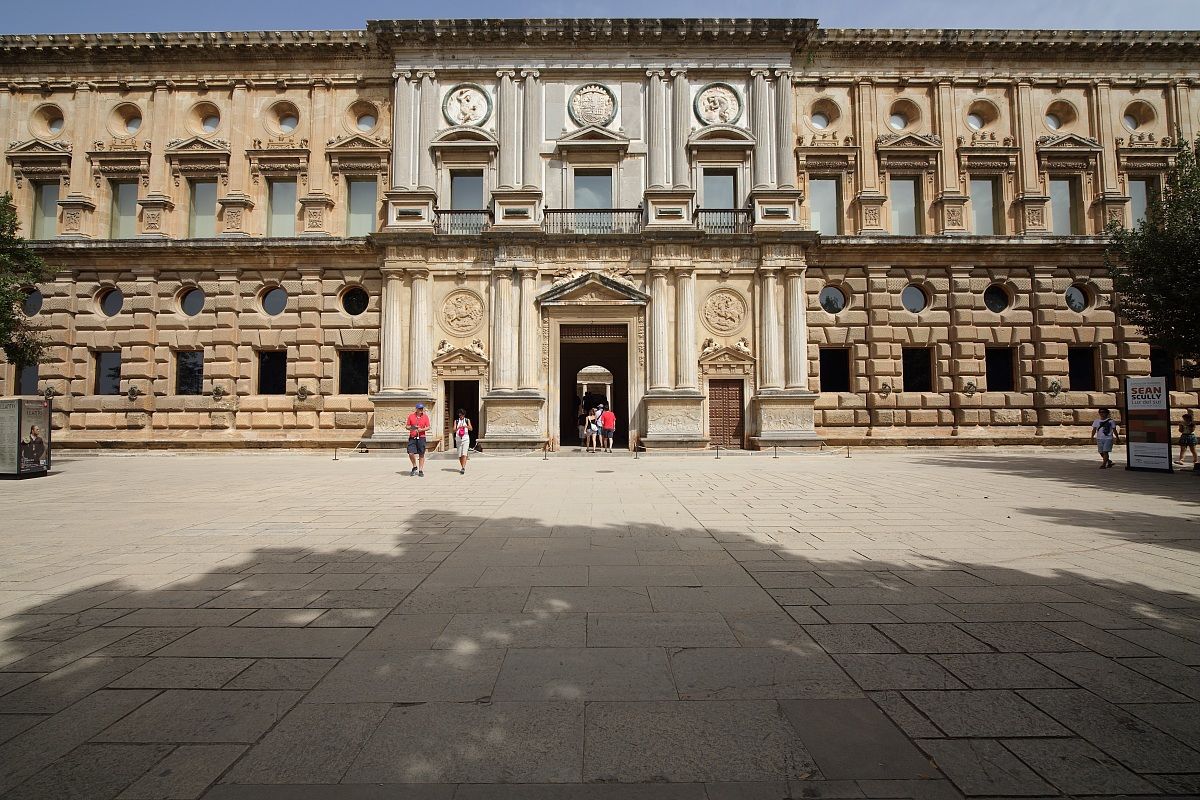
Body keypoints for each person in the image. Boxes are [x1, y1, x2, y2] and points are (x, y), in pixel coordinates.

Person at [406, 402, 431, 477]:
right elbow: (407, 426)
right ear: (416, 409)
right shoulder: (411, 416)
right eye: (420, 409)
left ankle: (420, 470)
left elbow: (428, 427)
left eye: (422, 408)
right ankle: (414, 466)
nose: (421, 410)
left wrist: (421, 430)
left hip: (421, 437)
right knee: (410, 453)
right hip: (412, 437)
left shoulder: (425, 417)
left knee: (421, 454)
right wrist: (413, 427)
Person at [453, 408, 473, 475]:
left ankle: (463, 468)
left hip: (465, 439)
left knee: (464, 453)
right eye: (460, 414)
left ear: (464, 415)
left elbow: (471, 429)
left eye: (462, 415)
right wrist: (458, 428)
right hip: (458, 439)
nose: (461, 416)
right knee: (459, 455)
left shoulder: (467, 420)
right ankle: (462, 466)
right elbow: (453, 430)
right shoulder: (456, 421)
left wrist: (466, 426)